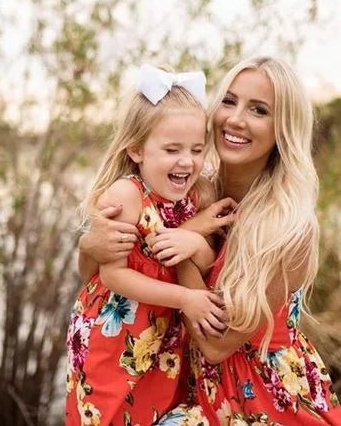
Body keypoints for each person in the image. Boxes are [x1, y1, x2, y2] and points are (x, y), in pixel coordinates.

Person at [79, 57, 341, 425]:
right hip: (191, 384)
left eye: (258, 109)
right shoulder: (191, 187)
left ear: (283, 128)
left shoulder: (289, 225)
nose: (235, 119)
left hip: (263, 397)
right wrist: (88, 247)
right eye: (229, 101)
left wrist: (189, 242)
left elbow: (216, 344)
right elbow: (99, 281)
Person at [65, 64, 228, 426]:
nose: (187, 161)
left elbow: (207, 259)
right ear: (137, 150)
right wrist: (186, 299)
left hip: (162, 339)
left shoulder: (198, 194)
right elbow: (113, 277)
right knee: (110, 417)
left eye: (197, 149)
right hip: (114, 337)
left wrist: (195, 244)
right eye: (172, 149)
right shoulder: (128, 196)